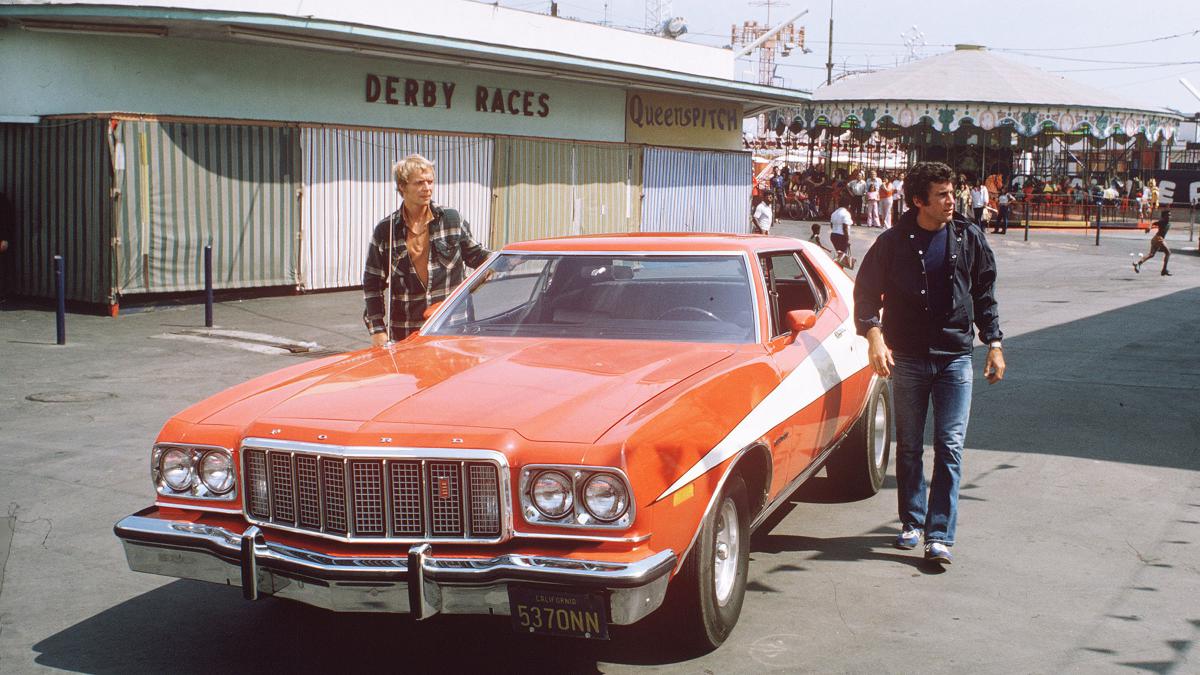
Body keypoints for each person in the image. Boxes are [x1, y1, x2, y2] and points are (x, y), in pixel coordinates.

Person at [853, 161, 1005, 566]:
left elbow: (985, 292)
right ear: (920, 200)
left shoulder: (968, 237)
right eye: (942, 195)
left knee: (950, 447)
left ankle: (939, 535)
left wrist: (993, 342)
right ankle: (912, 522)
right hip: (907, 358)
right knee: (909, 447)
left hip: (956, 357)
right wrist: (874, 336)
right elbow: (866, 294)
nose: (952, 200)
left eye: (952, 192)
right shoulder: (892, 243)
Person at [363, 153, 491, 345]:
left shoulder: (451, 219)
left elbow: (476, 256)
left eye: (430, 182)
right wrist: (378, 330)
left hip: (452, 325)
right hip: (407, 329)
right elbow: (373, 283)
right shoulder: (386, 230)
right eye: (419, 183)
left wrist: (507, 257)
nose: (427, 188)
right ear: (402, 187)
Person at [1133, 209, 1172, 276]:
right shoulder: (1162, 222)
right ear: (1164, 216)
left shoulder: (1168, 222)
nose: (1169, 216)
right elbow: (1153, 223)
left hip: (1155, 238)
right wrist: (1149, 227)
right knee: (1168, 252)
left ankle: (1138, 263)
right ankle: (1164, 270)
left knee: (1151, 254)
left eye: (1170, 215)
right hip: (1159, 238)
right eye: (1167, 215)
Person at [829, 194, 855, 267]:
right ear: (847, 205)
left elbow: (831, 225)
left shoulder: (834, 213)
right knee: (842, 257)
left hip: (833, 235)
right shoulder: (846, 213)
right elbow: (845, 227)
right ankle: (837, 269)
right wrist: (847, 238)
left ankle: (836, 267)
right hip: (841, 236)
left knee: (839, 254)